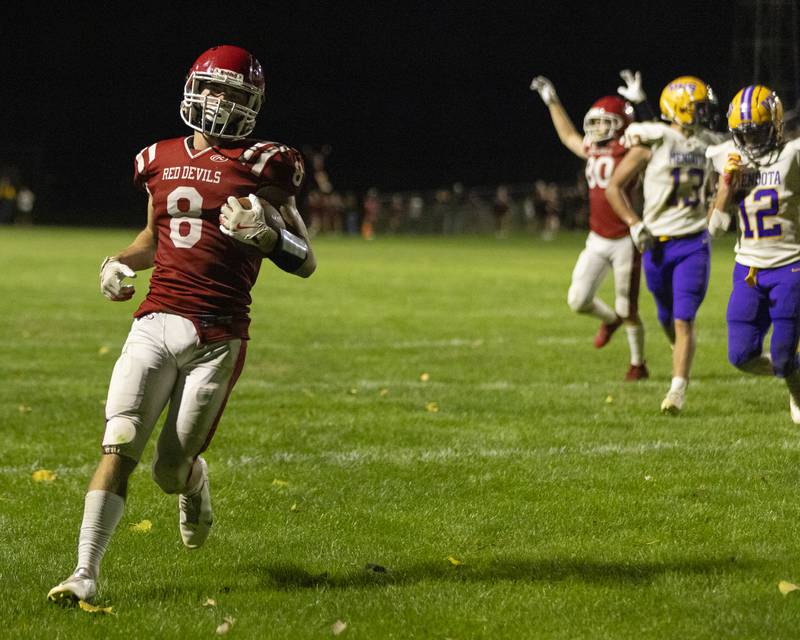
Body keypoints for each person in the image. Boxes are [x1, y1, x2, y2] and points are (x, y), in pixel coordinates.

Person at [48, 44, 316, 605]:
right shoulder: (157, 157)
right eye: (213, 88)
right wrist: (117, 262)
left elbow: (305, 259)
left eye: (233, 93)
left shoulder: (268, 164)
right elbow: (154, 237)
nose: (219, 101)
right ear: (194, 88)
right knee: (119, 441)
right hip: (154, 320)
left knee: (169, 470)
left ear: (253, 104)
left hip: (218, 335)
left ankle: (194, 483)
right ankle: (84, 573)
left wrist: (268, 238)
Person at [606, 76, 724, 413]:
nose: (705, 113)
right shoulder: (654, 142)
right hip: (656, 244)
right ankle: (681, 357)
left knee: (684, 318)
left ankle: (677, 391)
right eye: (699, 107)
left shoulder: (707, 143)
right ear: (682, 109)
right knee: (665, 315)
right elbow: (614, 187)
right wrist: (633, 223)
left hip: (693, 243)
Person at [530, 71, 650, 381]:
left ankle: (638, 364)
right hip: (597, 238)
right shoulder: (593, 148)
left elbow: (657, 137)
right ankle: (609, 321)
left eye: (603, 121)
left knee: (629, 308)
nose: (596, 127)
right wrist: (552, 102)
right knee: (578, 300)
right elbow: (569, 135)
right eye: (594, 122)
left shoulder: (633, 148)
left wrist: (642, 105)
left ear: (621, 122)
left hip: (626, 238)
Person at [706, 85, 800, 423]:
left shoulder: (793, 155)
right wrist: (725, 187)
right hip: (748, 268)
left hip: (791, 265)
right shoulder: (726, 157)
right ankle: (794, 376)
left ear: (774, 127)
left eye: (758, 132)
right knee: (741, 355)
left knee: (784, 356)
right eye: (743, 134)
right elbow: (715, 228)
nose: (751, 142)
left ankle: (794, 384)